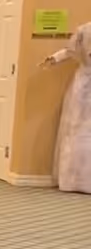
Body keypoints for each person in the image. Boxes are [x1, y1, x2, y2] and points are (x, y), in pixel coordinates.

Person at [45, 22, 91, 194]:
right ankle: (73, 179)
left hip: (83, 82)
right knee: (76, 128)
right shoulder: (85, 29)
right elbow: (70, 51)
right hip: (83, 85)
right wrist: (54, 58)